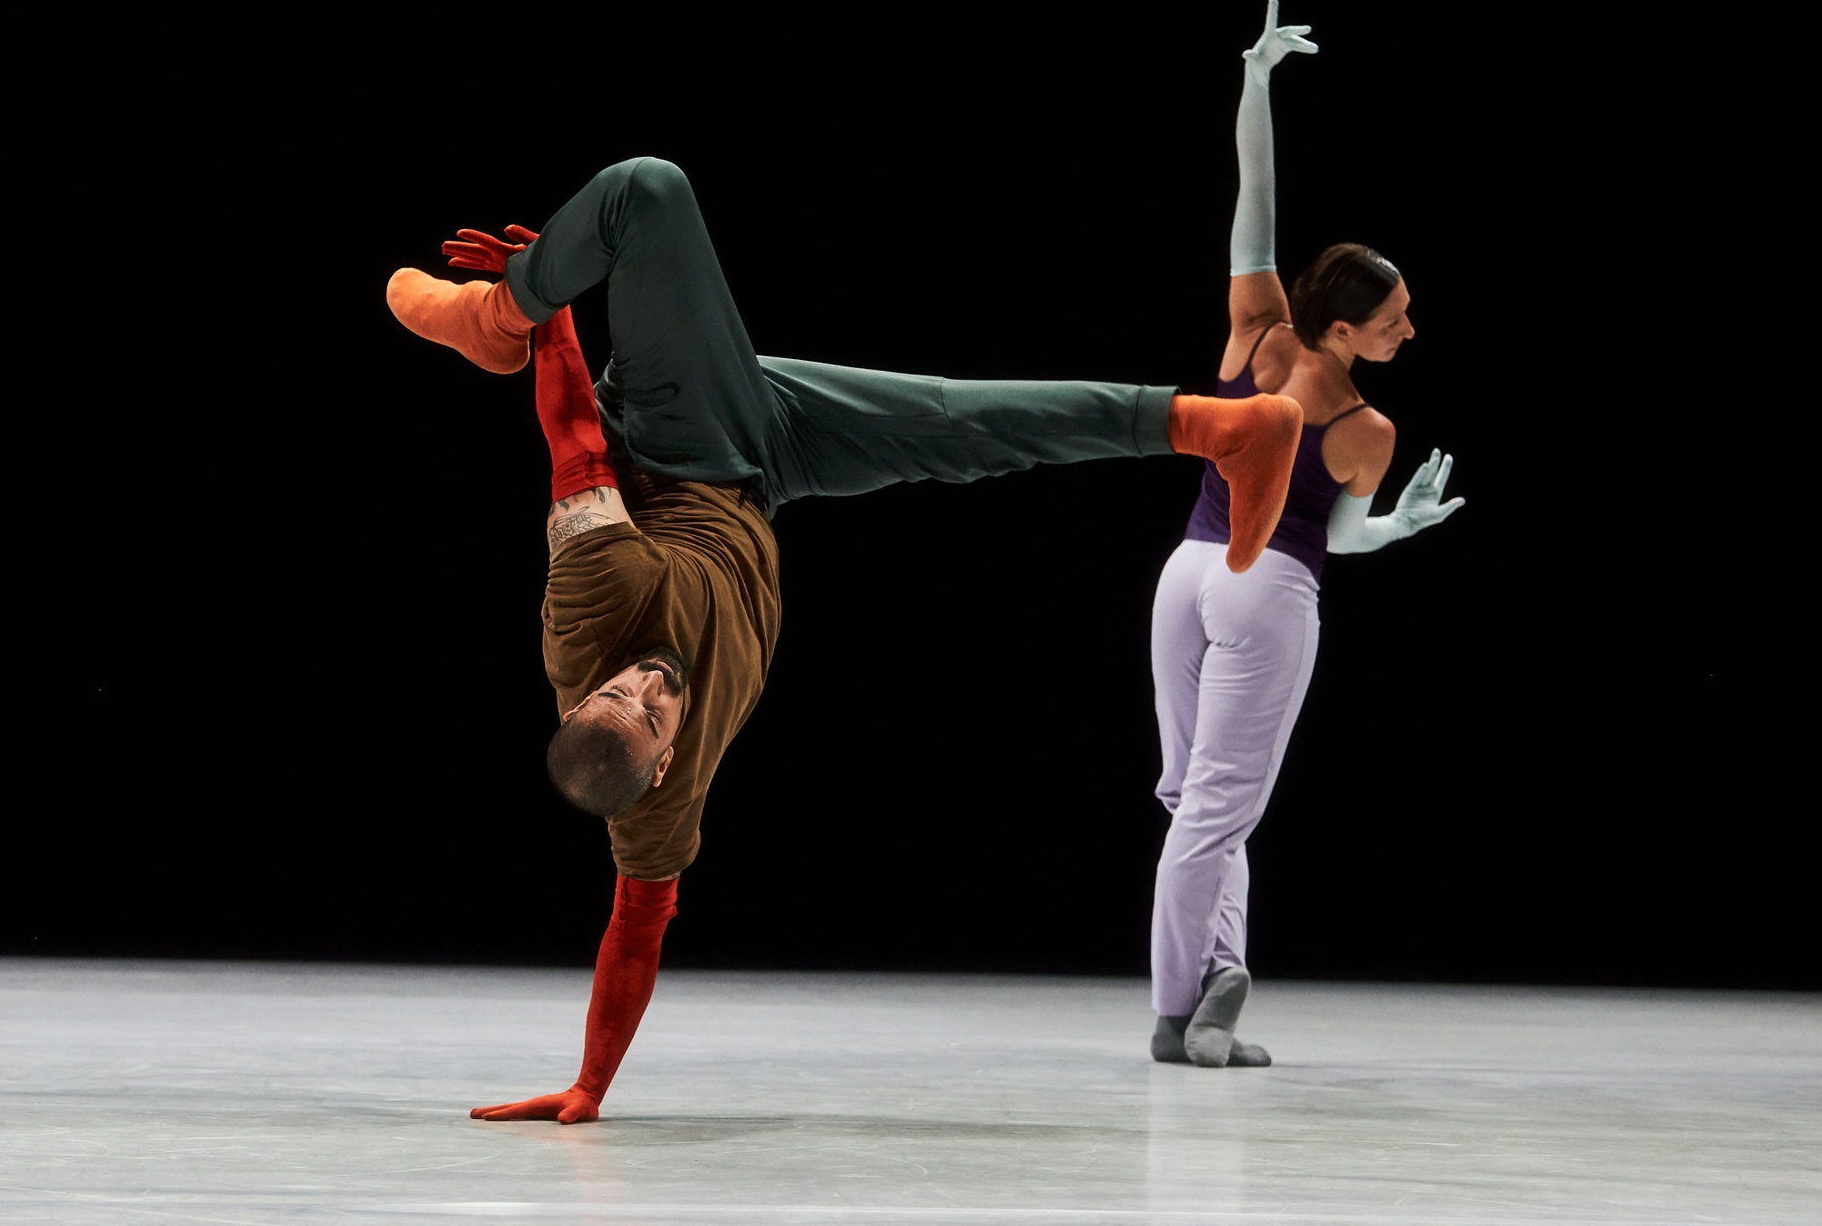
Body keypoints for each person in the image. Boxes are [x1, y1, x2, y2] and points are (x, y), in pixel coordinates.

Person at [384, 155, 1306, 1123]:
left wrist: (538, 318)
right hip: (768, 458)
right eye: (652, 713)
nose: (645, 686)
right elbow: (632, 936)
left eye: (618, 690)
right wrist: (589, 1086)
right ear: (660, 768)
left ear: (583, 696)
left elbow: (573, 434)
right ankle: (1217, 429)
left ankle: (490, 321)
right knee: (967, 430)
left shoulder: (588, 608)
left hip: (671, 439)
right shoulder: (660, 812)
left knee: (646, 193)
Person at [1148, 0, 1466, 1070]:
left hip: (1183, 570)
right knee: (1215, 812)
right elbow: (1339, 538)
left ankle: (1213, 983)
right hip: (1262, 588)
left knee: (1192, 798)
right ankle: (1169, 1016)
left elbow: (1254, 203)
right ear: (1342, 328)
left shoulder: (1254, 326)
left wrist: (1252, 82)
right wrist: (1394, 527)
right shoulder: (1365, 428)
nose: (1408, 330)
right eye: (1392, 320)